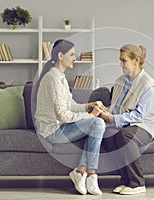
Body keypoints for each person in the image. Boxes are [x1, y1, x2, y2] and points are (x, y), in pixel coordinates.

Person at [33, 39, 106, 195]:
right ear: (60, 55)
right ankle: (91, 174)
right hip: (51, 130)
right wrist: (90, 115)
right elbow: (63, 115)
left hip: (58, 126)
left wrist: (90, 105)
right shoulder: (53, 78)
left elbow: (70, 105)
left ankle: (81, 171)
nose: (75, 58)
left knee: (96, 123)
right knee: (97, 124)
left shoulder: (60, 77)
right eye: (72, 54)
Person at [100, 44, 154, 195]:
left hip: (146, 125)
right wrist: (105, 110)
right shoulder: (120, 81)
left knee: (124, 135)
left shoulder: (148, 85)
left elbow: (139, 115)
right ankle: (125, 179)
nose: (120, 64)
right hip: (126, 123)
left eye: (124, 60)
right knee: (107, 135)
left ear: (136, 61)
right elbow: (116, 107)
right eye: (120, 60)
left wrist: (113, 118)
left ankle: (137, 183)